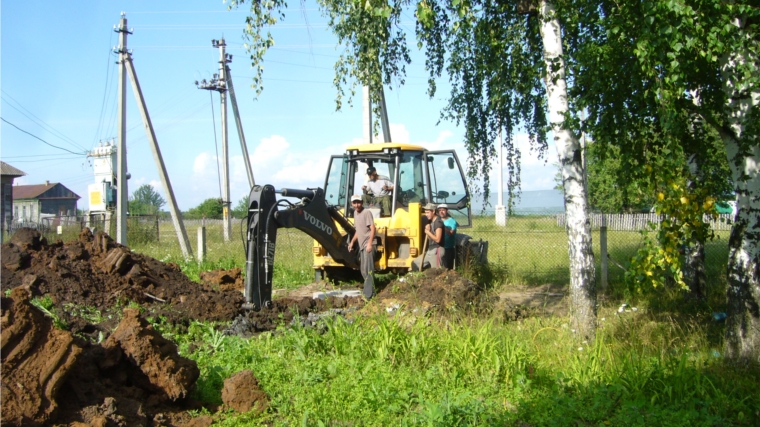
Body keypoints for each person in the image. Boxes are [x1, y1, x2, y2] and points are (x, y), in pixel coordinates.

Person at [347, 195, 376, 298]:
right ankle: (371, 291)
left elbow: (373, 229)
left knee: (368, 270)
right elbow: (358, 231)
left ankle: (369, 295)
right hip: (362, 245)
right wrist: (352, 242)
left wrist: (369, 243)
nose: (357, 205)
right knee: (363, 270)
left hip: (369, 244)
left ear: (362, 202)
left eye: (358, 202)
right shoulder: (355, 213)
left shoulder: (366, 213)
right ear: (352, 204)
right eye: (354, 203)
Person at [413, 203, 445, 270]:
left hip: (437, 250)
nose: (426, 214)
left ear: (433, 211)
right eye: (425, 213)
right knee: (415, 264)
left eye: (428, 212)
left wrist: (428, 232)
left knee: (436, 272)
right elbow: (430, 238)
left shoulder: (438, 222)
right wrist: (428, 230)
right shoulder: (431, 222)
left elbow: (438, 239)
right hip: (430, 250)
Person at [438, 204, 458, 269]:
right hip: (439, 248)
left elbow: (451, 233)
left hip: (448, 248)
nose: (441, 212)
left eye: (443, 210)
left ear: (447, 211)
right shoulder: (437, 221)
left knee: (448, 268)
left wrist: (443, 226)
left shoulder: (452, 221)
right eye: (440, 210)